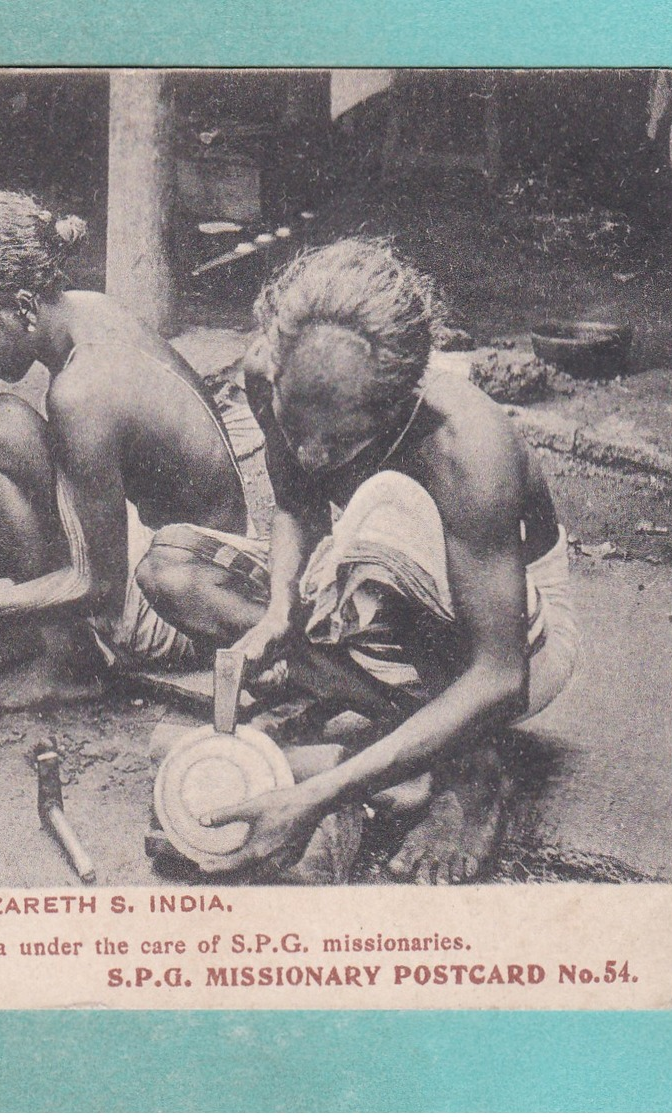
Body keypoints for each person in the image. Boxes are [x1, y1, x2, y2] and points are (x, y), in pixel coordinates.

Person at [135, 238, 580, 883]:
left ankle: (471, 772)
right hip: (371, 594)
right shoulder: (270, 374)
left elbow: (499, 676)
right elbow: (296, 506)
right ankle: (407, 734)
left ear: (400, 404)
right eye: (293, 426)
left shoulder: (465, 446)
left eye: (340, 438)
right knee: (173, 568)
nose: (311, 454)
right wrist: (282, 610)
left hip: (516, 648)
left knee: (386, 507)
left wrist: (316, 797)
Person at [0, 191, 250, 712]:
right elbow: (112, 454)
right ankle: (56, 646)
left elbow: (95, 586)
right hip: (201, 559)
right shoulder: (90, 313)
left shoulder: (82, 391)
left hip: (184, 607)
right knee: (0, 430)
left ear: (23, 305)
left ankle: (70, 666)